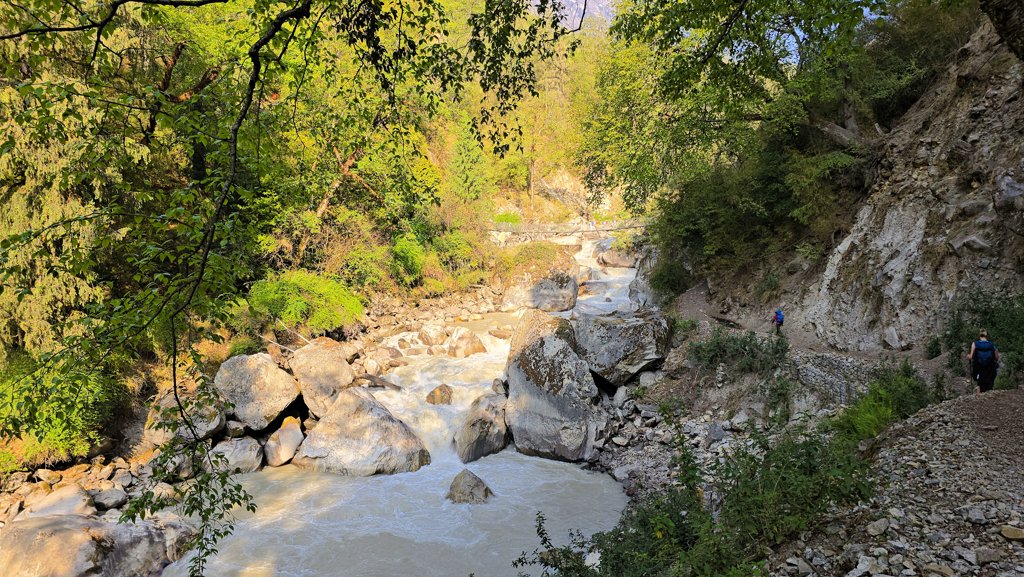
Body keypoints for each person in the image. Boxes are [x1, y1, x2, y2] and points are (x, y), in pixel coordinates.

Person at [968, 329, 1000, 393]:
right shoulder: (992, 344)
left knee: (979, 384)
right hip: (989, 368)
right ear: (986, 335)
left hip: (979, 368)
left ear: (979, 335)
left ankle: (978, 398)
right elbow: (996, 358)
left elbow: (971, 357)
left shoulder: (975, 344)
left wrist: (968, 356)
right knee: (989, 385)